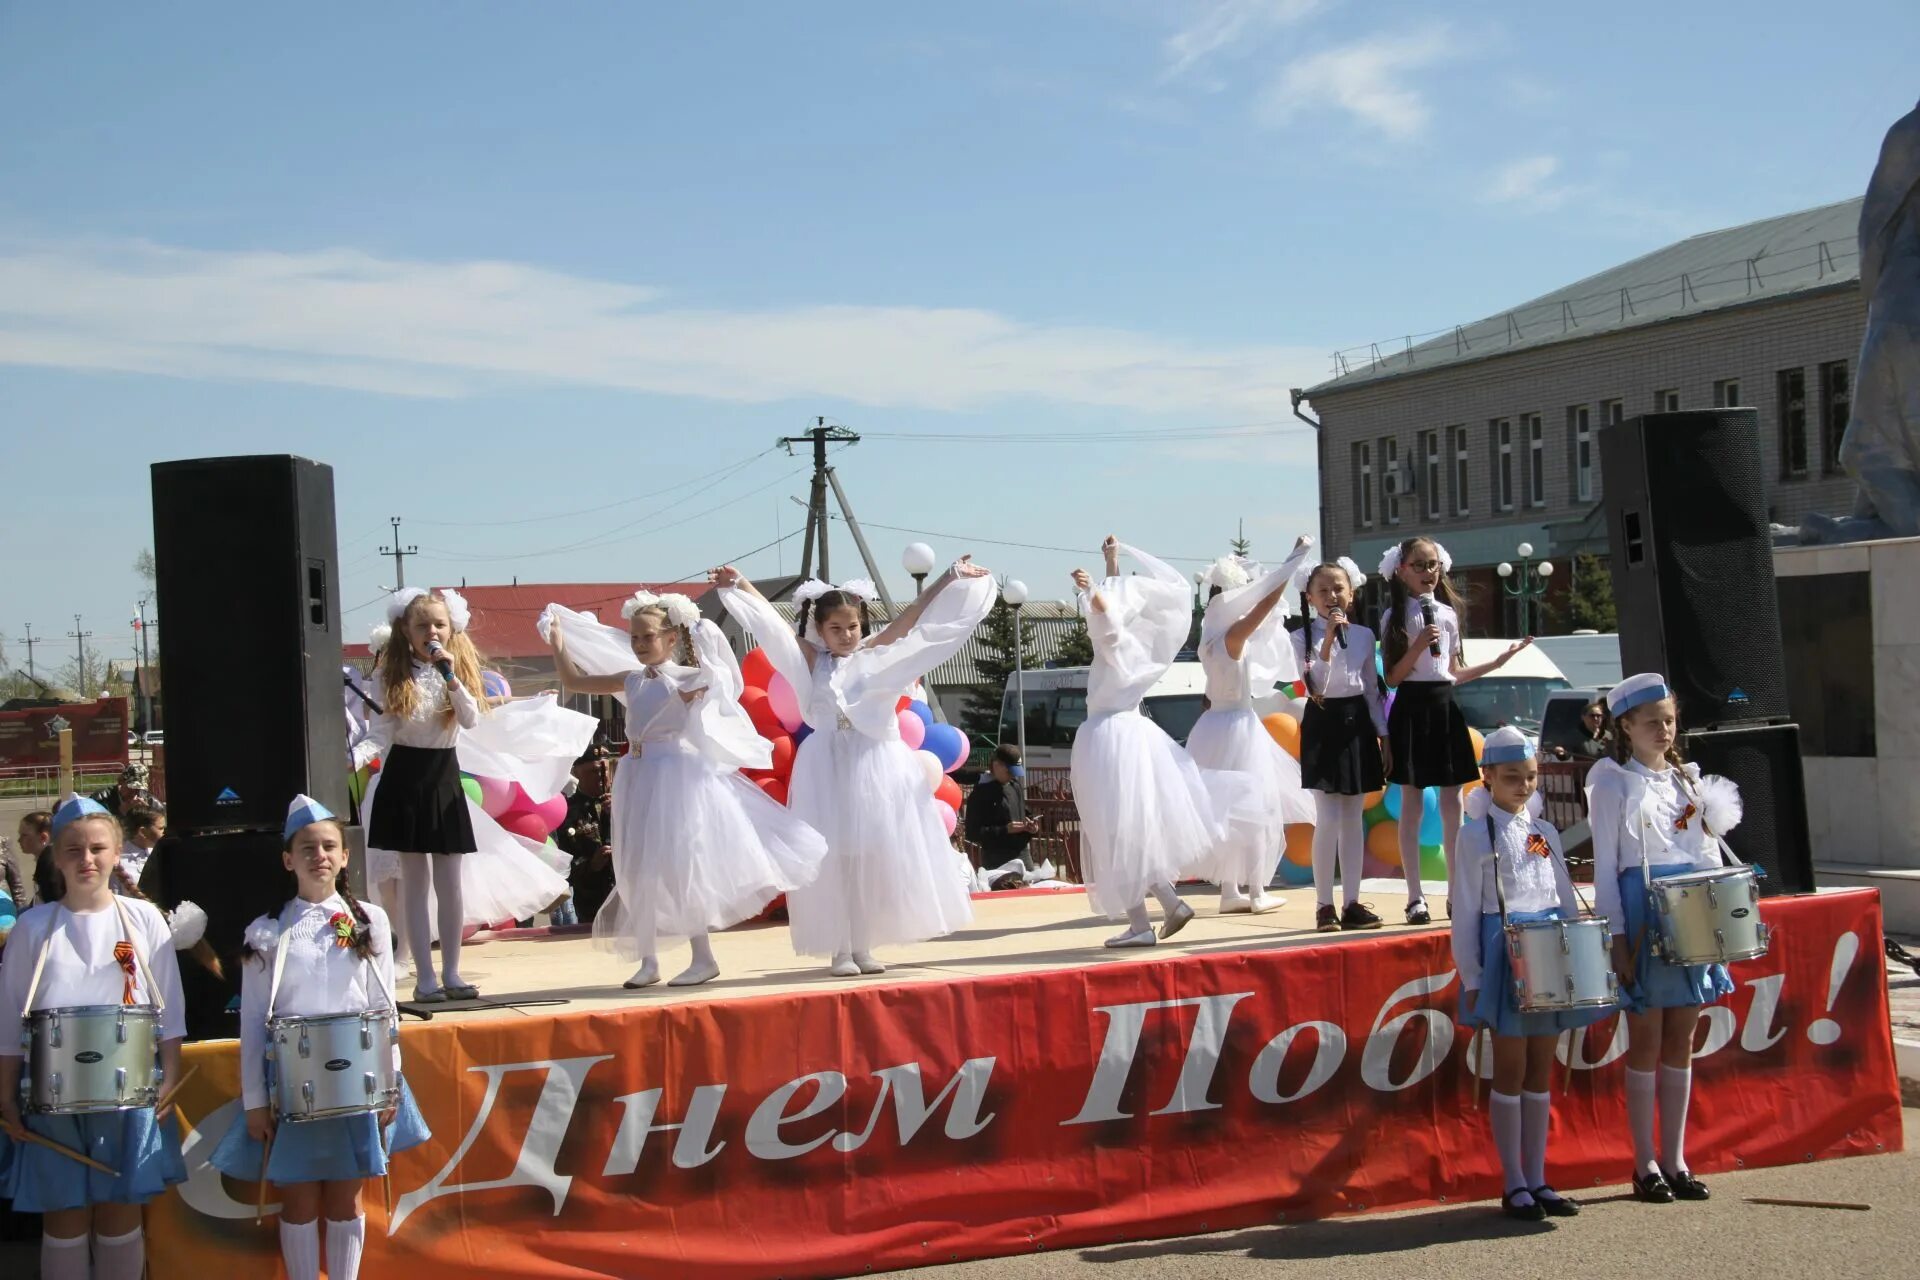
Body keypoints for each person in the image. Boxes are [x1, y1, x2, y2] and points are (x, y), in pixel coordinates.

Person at [716, 560, 992, 977]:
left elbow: (912, 618)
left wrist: (947, 578)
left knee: (868, 858)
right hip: (827, 767)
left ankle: (862, 944)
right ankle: (840, 949)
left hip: (874, 764)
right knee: (838, 860)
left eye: (853, 627)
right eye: (836, 629)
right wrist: (742, 585)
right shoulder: (810, 660)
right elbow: (771, 626)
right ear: (819, 629)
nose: (846, 636)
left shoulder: (875, 655)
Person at [545, 589, 827, 988]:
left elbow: (724, 680)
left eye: (649, 636)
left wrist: (701, 634)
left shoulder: (689, 680)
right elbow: (573, 679)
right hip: (638, 774)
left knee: (683, 867)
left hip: (673, 776)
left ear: (671, 639)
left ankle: (703, 956)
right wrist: (559, 643)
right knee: (637, 866)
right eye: (635, 638)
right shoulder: (631, 680)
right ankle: (649, 959)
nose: (641, 644)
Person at [209, 796, 430, 1280]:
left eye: (329, 845)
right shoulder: (267, 931)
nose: (319, 856)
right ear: (288, 859)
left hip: (358, 1082)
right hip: (293, 1085)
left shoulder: (369, 919)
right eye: (307, 848)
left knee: (346, 1195)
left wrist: (391, 1080)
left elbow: (385, 1008)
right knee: (300, 1195)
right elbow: (251, 1021)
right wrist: (253, 1100)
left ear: (345, 855)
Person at [0, 796, 188, 1280]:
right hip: (50, 1100)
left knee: (119, 1207)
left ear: (117, 851)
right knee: (63, 1213)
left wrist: (169, 1078)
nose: (87, 859)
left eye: (98, 848)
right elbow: (7, 1022)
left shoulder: (144, 920)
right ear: (56, 857)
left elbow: (169, 1010)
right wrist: (6, 1096)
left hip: (127, 1096)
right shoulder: (32, 927)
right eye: (74, 850)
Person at [1587, 673, 1743, 1205]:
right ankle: (1643, 1161)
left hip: (1690, 913)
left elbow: (1707, 855)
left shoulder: (1687, 781)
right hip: (1641, 908)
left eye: (1670, 720)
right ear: (1625, 726)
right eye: (1652, 721)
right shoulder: (1610, 781)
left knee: (1682, 1038)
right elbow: (1606, 870)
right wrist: (1618, 938)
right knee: (1646, 1039)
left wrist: (1719, 920)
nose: (1664, 729)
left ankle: (1676, 1159)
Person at [1069, 537, 1257, 948]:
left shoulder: (1117, 642)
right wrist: (1111, 563)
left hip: (1107, 738)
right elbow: (1115, 611)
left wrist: (1091, 591)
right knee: (1129, 831)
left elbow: (1108, 617)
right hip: (1130, 734)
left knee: (1115, 834)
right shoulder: (1142, 645)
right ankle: (1168, 904)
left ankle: (1142, 923)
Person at [1451, 727, 1608, 1220]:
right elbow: (1464, 912)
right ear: (1488, 778)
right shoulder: (1475, 833)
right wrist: (1473, 978)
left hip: (1548, 947)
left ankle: (1538, 1177)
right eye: (1512, 777)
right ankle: (1513, 1180)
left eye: (1531, 777)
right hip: (1505, 949)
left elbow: (1563, 895)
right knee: (1511, 1068)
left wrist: (1577, 948)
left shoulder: (1546, 832)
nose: (1523, 786)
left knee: (1542, 1069)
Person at [1379, 536, 1532, 924]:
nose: (1428, 572)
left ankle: (1455, 891)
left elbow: (1452, 671)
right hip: (1411, 707)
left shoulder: (1447, 614)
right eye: (1419, 565)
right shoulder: (1393, 617)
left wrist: (1497, 662)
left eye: (1433, 565)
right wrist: (1415, 647)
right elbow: (1394, 678)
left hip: (1444, 706)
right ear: (1401, 570)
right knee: (1411, 803)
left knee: (1453, 805)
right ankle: (1415, 896)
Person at [353, 587, 486, 1002]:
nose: (432, 631)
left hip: (443, 775)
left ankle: (452, 972)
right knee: (414, 880)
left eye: (439, 624)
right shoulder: (392, 676)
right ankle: (424, 976)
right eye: (422, 625)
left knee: (451, 882)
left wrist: (451, 678)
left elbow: (471, 720)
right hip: (405, 776)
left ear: (451, 629)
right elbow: (380, 734)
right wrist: (352, 757)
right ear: (406, 631)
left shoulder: (455, 669)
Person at [1186, 538, 1318, 914]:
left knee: (1227, 811)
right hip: (1238, 727)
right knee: (1257, 808)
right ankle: (1256, 891)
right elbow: (1264, 606)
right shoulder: (1231, 636)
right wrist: (1294, 559)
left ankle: (1230, 890)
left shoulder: (1209, 639)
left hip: (1213, 725)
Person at [1294, 559, 1389, 931]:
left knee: (1353, 817)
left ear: (1351, 593)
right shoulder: (1301, 636)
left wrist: (1383, 734)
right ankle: (1323, 905)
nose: (1332, 596)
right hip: (1323, 719)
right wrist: (1329, 640)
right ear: (1310, 597)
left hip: (1357, 722)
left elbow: (1370, 688)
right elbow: (1313, 685)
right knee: (1328, 817)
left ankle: (1351, 902)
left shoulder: (1364, 636)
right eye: (1324, 590)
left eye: (1339, 588)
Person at [964, 744, 1037, 872]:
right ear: (996, 765)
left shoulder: (1015, 786)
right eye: (1009, 771)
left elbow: (1023, 813)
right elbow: (972, 833)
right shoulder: (980, 794)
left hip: (1023, 855)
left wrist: (1031, 827)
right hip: (997, 859)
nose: (1012, 776)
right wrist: (1005, 830)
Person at [90, 765, 160, 822]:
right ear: (121, 782)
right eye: (131, 788)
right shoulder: (100, 799)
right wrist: (120, 813)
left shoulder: (152, 803)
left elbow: (159, 827)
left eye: (139, 789)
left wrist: (147, 813)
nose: (135, 794)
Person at [117, 806, 165, 888]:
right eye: (161, 828)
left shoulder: (161, 853)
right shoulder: (120, 862)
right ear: (143, 832)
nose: (165, 832)